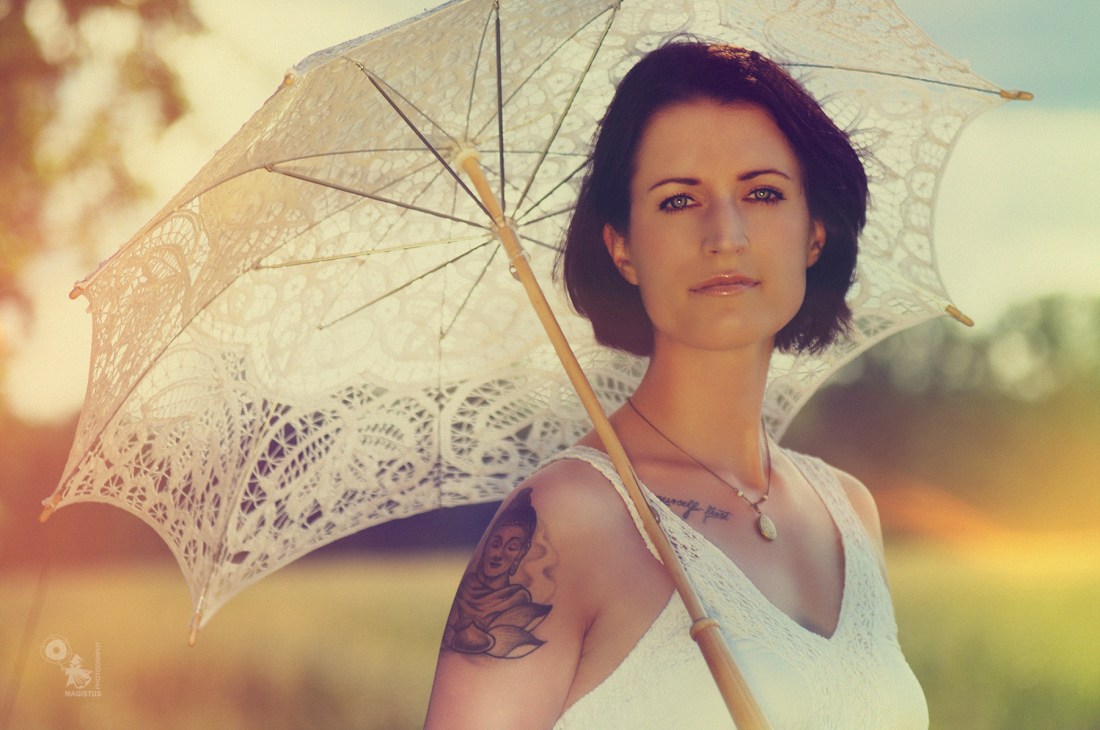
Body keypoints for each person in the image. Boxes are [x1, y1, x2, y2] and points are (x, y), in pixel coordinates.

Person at [425, 41, 928, 728]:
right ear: (623, 248)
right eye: (678, 200)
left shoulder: (849, 512)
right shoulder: (564, 521)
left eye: (762, 193)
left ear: (814, 233)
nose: (725, 234)